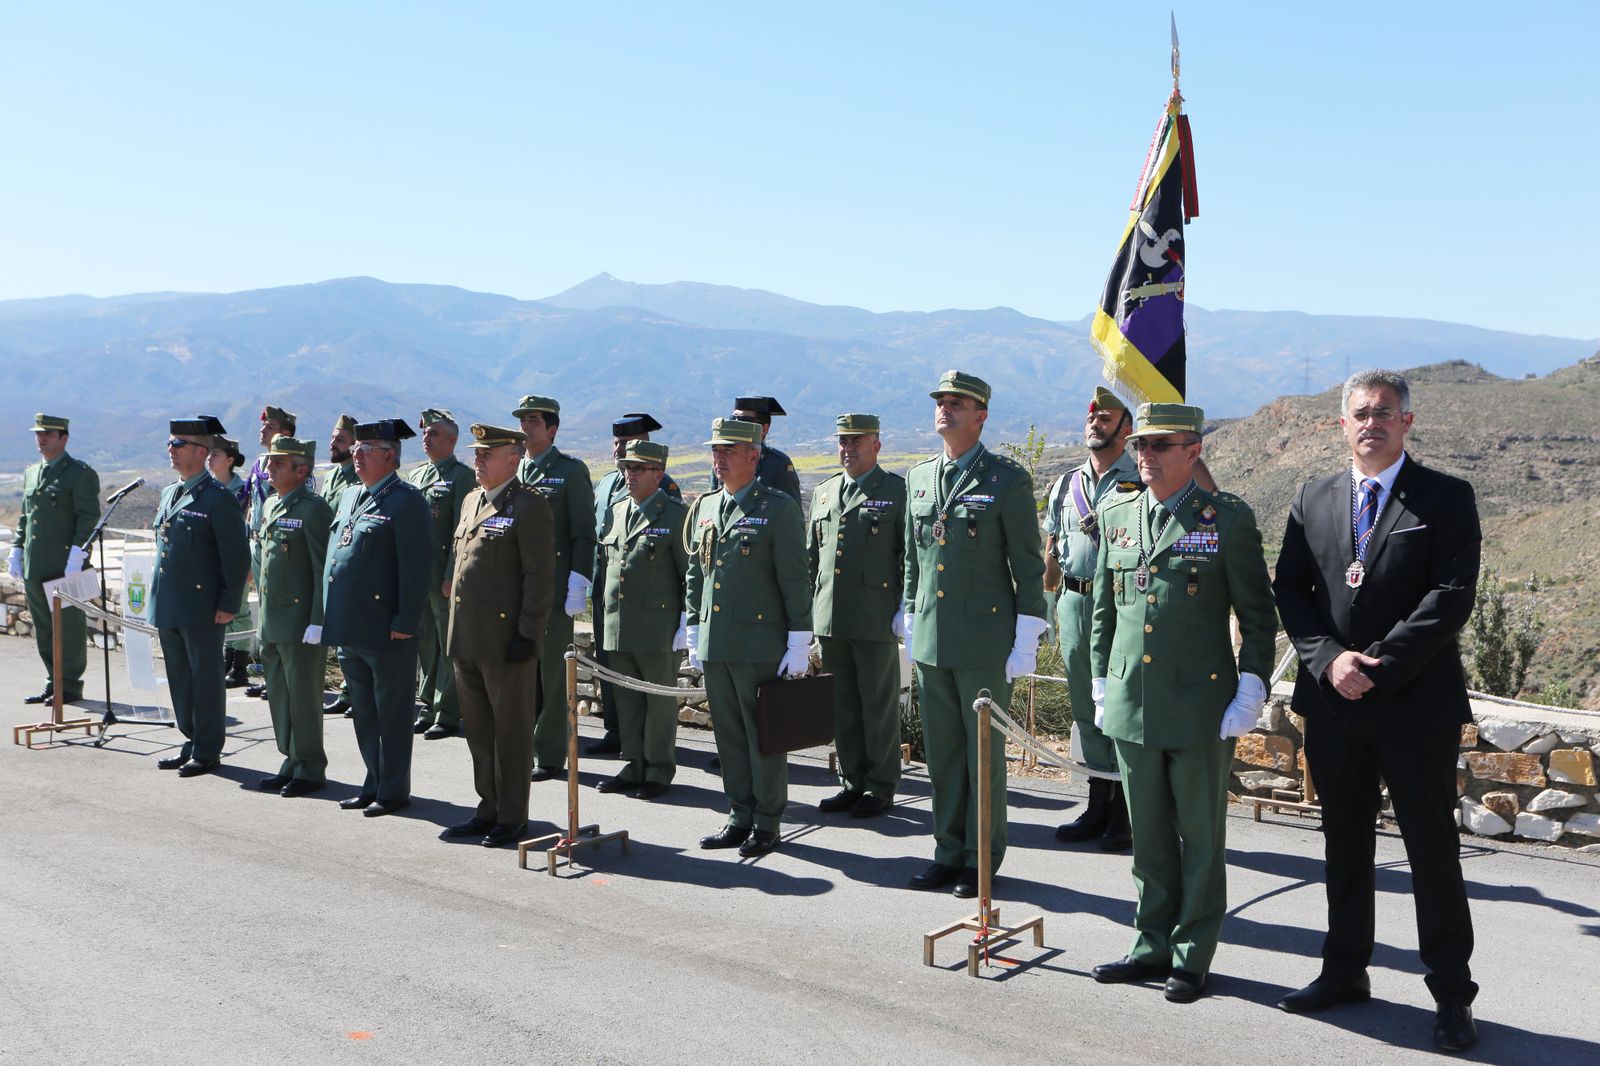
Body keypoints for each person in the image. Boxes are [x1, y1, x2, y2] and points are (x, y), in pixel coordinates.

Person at [1271, 369, 1482, 1053]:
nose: (1372, 423)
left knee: (1431, 852)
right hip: (1333, 704)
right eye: (1360, 413)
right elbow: (1292, 590)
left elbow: (1451, 595)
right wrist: (1330, 658)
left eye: (1385, 413)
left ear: (1407, 423)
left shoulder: (1445, 497)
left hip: (1415, 706)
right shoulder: (1314, 497)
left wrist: (1378, 666)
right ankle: (1343, 972)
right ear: (1342, 424)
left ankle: (1453, 997)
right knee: (1344, 846)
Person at [1088, 402, 1277, 1004]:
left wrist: (1252, 684)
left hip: (1199, 707)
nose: (1145, 455)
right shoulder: (1116, 511)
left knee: (1199, 837)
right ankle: (1150, 944)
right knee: (1146, 837)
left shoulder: (1226, 519)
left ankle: (1192, 955)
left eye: (1160, 445)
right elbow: (1104, 611)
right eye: (1140, 444)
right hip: (1130, 703)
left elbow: (1256, 615)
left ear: (1193, 451)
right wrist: (1099, 681)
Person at [903, 371, 1048, 899]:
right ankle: (946, 851)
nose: (945, 409)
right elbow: (912, 560)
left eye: (957, 403)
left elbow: (1028, 566)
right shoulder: (919, 478)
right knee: (940, 754)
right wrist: (910, 614)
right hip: (933, 642)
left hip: (985, 641)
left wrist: (1027, 634)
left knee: (981, 757)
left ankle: (980, 858)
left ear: (981, 415)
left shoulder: (1006, 480)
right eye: (941, 401)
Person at [684, 417, 812, 857]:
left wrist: (799, 639)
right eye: (715, 450)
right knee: (730, 737)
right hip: (718, 643)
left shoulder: (776, 508)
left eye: (728, 450)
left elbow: (795, 579)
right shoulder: (704, 507)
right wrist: (695, 626)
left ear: (753, 456)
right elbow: (695, 574)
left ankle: (768, 821)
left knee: (763, 738)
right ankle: (738, 815)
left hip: (760, 643)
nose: (718, 458)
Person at [441, 424, 556, 847]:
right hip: (467, 637)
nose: (479, 459)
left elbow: (540, 576)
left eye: (488, 453)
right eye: (477, 453)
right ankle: (486, 807)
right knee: (479, 732)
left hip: (506, 641)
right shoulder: (472, 500)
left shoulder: (529, 506)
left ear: (513, 459)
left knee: (510, 732)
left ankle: (512, 816)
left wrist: (528, 632)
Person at [1044, 388, 1141, 851]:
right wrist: (1046, 610)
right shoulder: (1066, 485)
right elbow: (1052, 552)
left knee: (1119, 707)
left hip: (1122, 608)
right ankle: (1097, 803)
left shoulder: (1139, 480)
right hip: (1074, 603)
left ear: (1127, 429)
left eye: (1106, 418)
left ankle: (1125, 812)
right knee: (1086, 709)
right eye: (1092, 417)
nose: (1095, 424)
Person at [322, 418, 432, 817]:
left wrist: (406, 619)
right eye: (355, 449)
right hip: (351, 625)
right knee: (365, 712)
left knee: (393, 712)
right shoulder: (352, 496)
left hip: (387, 629)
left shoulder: (406, 502)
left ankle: (394, 788)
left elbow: (416, 568)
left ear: (390, 456)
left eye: (365, 450)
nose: (356, 455)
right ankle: (373, 779)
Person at [807, 413, 907, 819]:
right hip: (830, 617)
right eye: (842, 442)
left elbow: (909, 558)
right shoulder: (825, 492)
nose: (847, 449)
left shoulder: (896, 491)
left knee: (878, 707)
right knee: (842, 705)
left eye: (856, 442)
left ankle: (881, 786)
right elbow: (811, 560)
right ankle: (851, 782)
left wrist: (905, 608)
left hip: (875, 618)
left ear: (876, 447)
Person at [150, 415, 251, 777]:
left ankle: (208, 749)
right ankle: (191, 740)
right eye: (170, 443)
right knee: (180, 676)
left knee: (206, 678)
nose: (170, 450)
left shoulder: (217, 498)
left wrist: (228, 604)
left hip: (203, 605)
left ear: (201, 450)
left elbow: (237, 557)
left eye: (177, 444)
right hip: (170, 602)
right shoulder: (170, 492)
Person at [594, 440, 689, 798]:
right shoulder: (619, 511)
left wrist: (685, 622)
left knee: (658, 702)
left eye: (638, 469)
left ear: (658, 474)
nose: (629, 476)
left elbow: (689, 574)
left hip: (658, 627)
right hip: (620, 625)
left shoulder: (675, 515)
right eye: (626, 469)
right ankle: (633, 765)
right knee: (628, 701)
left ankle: (658, 770)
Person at [513, 395, 596, 779]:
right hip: (517, 589)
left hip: (553, 589)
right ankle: (523, 746)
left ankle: (547, 755)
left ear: (552, 429)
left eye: (532, 420)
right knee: (523, 671)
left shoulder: (569, 472)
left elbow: (583, 533)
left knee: (550, 671)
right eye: (522, 420)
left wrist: (579, 580)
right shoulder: (515, 470)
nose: (524, 426)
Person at [254, 434, 333, 797]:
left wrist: (319, 619)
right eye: (269, 461)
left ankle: (311, 766)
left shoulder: (313, 509)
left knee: (303, 697)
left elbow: (321, 570)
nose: (269, 467)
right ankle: (291, 758)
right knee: (280, 696)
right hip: (274, 620)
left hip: (301, 622)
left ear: (301, 471)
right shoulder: (271, 504)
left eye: (278, 463)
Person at [11, 413, 100, 706]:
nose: (42, 438)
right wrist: (17, 547)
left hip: (66, 565)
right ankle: (53, 680)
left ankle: (71, 685)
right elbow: (26, 517)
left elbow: (88, 518)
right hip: (36, 565)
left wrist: (78, 552)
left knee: (69, 628)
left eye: (48, 433)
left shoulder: (79, 473)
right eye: (38, 433)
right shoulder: (32, 472)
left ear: (64, 437)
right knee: (44, 626)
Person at [406, 409, 476, 739]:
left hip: (443, 575)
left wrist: (452, 574)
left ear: (452, 440)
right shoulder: (418, 476)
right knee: (426, 644)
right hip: (419, 574)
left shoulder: (461, 477)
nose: (426, 438)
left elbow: (462, 532)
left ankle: (448, 711)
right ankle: (428, 704)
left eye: (434, 433)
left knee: (448, 646)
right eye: (425, 433)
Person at [208, 436, 256, 690]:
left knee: (239, 609)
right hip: (213, 558)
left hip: (236, 558)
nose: (210, 457)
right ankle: (227, 663)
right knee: (220, 610)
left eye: (216, 453)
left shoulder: (244, 492)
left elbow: (248, 530)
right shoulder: (207, 488)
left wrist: (248, 564)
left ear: (230, 460)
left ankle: (240, 667)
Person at [321, 414, 359, 715]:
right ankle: (347, 690)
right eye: (334, 438)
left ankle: (353, 691)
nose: (334, 443)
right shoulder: (332, 476)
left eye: (341, 440)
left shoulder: (357, 478)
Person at [708, 395, 802, 502]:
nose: (737, 425)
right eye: (734, 419)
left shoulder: (778, 464)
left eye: (744, 421)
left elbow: (791, 510)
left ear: (764, 429)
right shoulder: (722, 462)